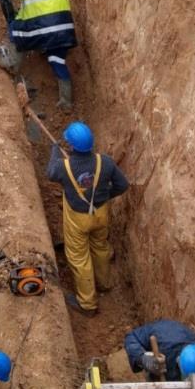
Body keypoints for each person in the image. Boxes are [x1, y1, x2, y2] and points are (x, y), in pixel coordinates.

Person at [47, 121, 128, 318]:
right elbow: (123, 184)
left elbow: (50, 172)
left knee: (79, 258)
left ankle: (87, 303)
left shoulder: (64, 167)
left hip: (78, 219)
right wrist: (105, 196)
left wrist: (55, 151)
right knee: (100, 247)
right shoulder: (105, 162)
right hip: (100, 214)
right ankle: (105, 283)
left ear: (72, 146)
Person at [0, 0, 77, 108]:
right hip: (64, 30)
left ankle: (11, 63)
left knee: (16, 30)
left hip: (48, 28)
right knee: (57, 60)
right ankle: (66, 101)